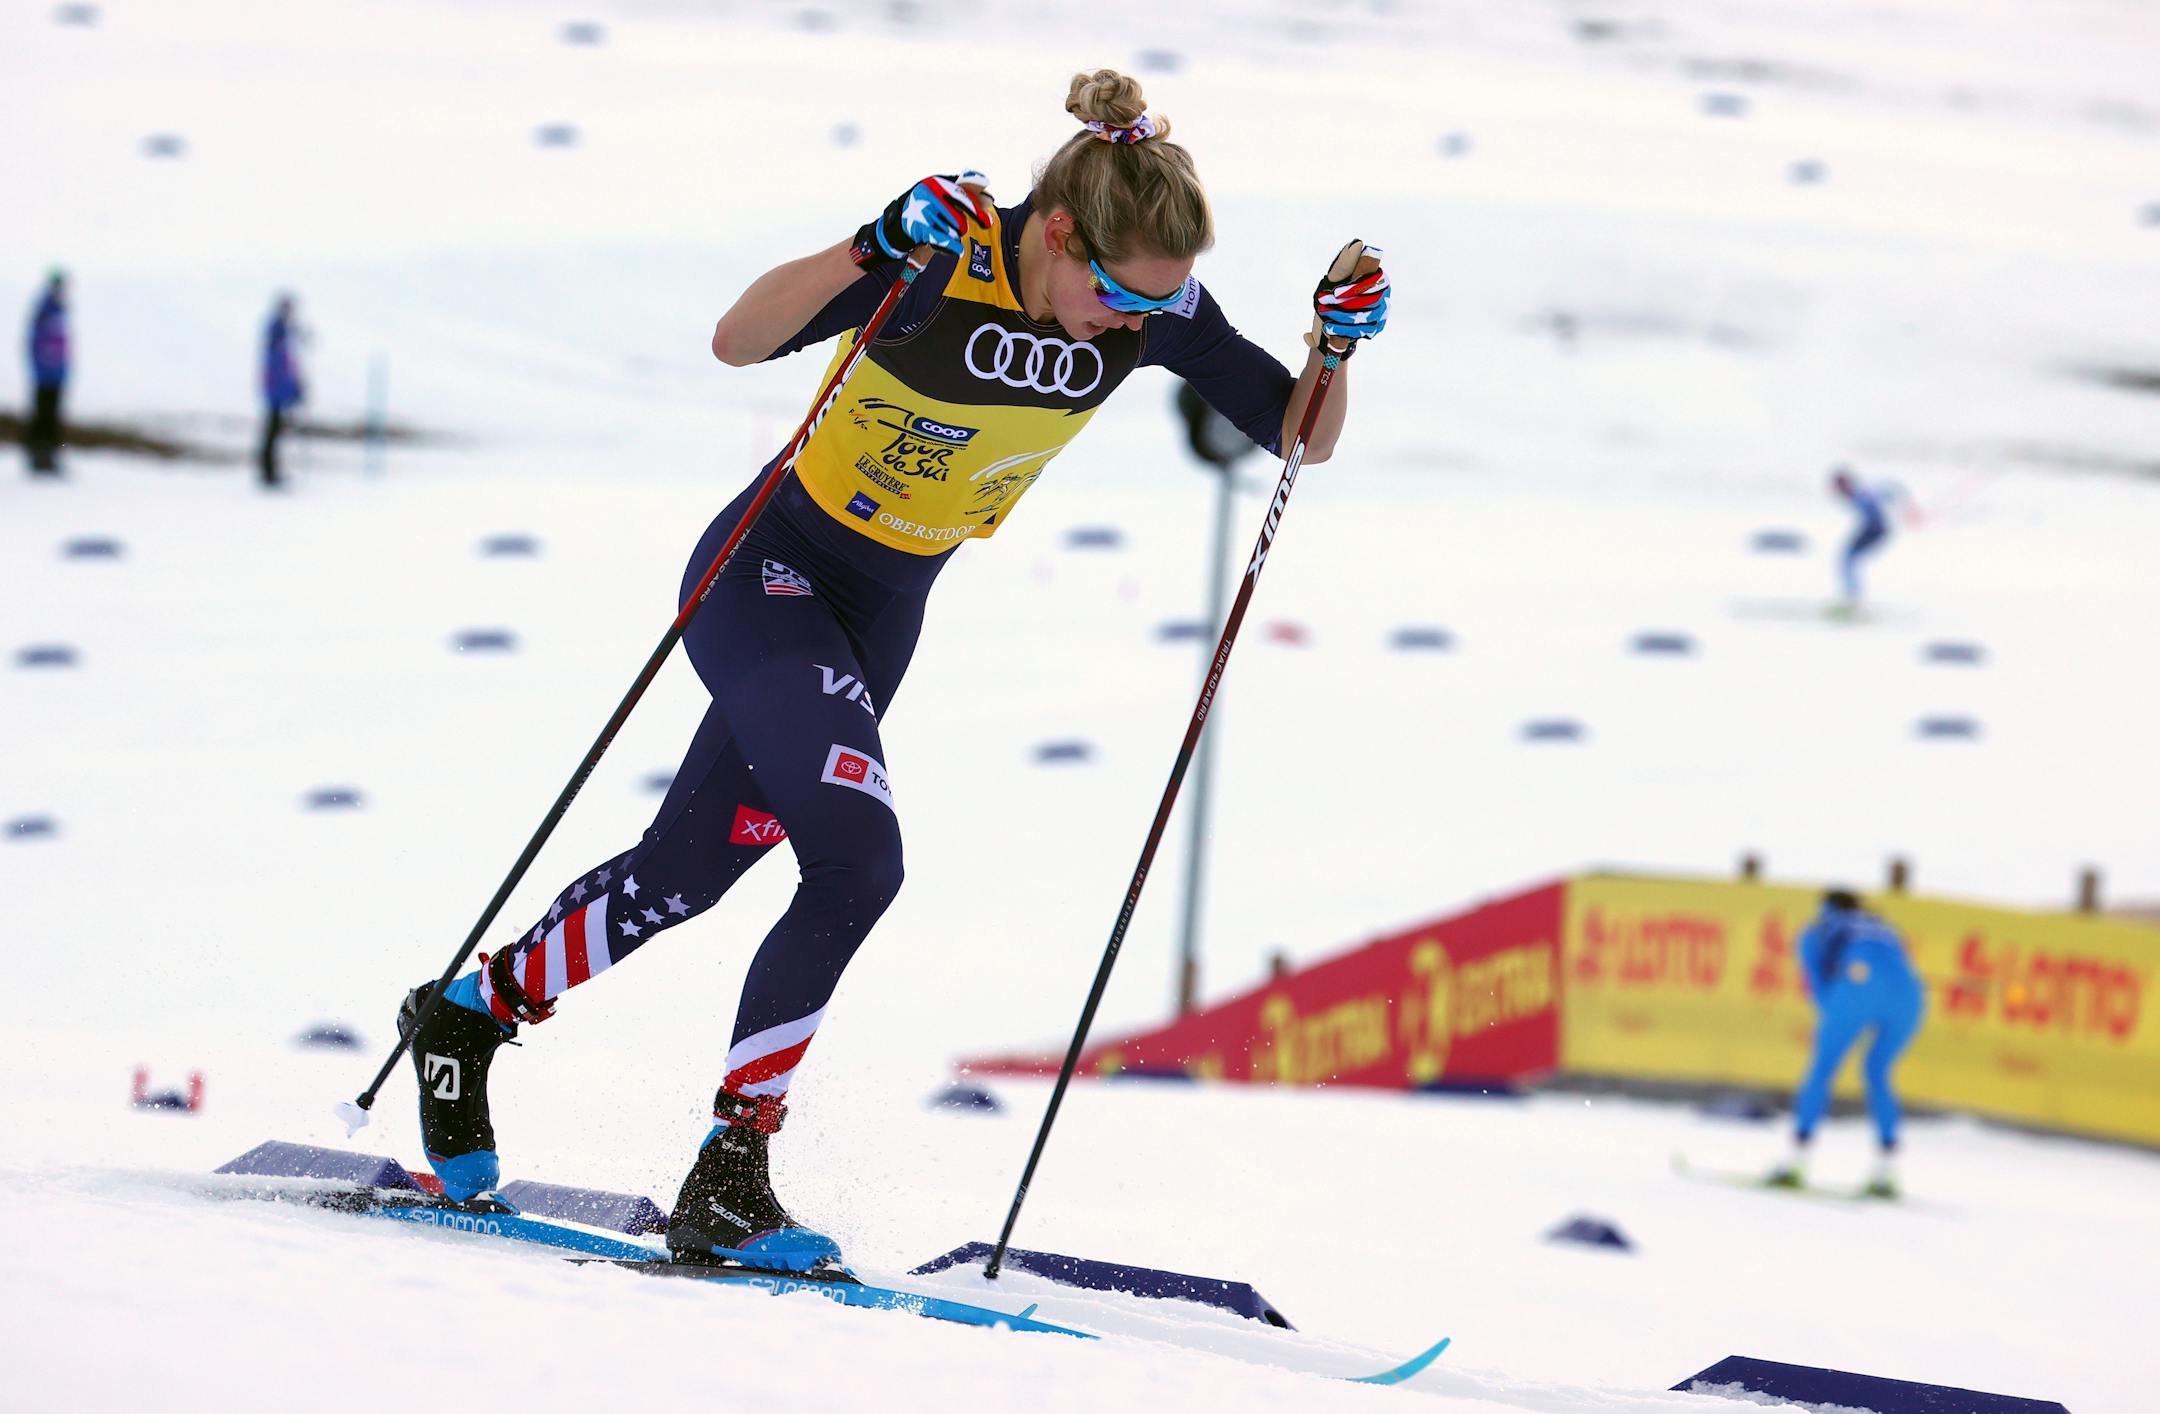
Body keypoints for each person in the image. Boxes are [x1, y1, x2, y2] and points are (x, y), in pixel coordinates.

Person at [397, 68, 1390, 1271]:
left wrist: (1330, 351)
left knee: (687, 872)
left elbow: (1298, 437)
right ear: (1060, 233)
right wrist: (869, 242)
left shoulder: (1151, 308)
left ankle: (466, 1019)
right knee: (859, 859)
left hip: (882, 613)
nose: (1131, 324)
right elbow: (737, 338)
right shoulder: (948, 252)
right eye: (1119, 294)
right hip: (769, 575)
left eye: (1156, 306)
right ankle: (731, 1173)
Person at [1769, 889, 1926, 1197]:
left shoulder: (1817, 929)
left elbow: (1817, 985)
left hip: (1857, 987)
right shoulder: (1883, 926)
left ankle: (1795, 1162)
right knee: (1878, 1072)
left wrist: (1836, 1013)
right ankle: (1886, 1172)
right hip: (1911, 994)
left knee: (1822, 1071)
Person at [1830, 465, 1899, 610]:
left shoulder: (1860, 493)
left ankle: (1853, 599)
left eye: (1838, 487)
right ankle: (1852, 597)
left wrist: (1908, 508)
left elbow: (1888, 490)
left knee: (1848, 559)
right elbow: (1888, 492)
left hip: (1875, 530)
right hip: (1871, 529)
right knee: (1849, 559)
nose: (1836, 491)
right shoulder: (1856, 493)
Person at [24, 269, 68, 474]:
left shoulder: (59, 311)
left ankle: (50, 456)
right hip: (44, 375)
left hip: (57, 374)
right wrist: (39, 366)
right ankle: (37, 457)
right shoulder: (44, 310)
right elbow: (34, 342)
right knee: (43, 416)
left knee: (52, 417)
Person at [258, 293, 304, 487]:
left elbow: (284, 367)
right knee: (272, 432)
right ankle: (268, 472)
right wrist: (291, 390)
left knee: (274, 432)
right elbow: (279, 369)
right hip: (275, 394)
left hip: (276, 392)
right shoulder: (277, 335)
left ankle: (270, 471)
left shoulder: (280, 334)